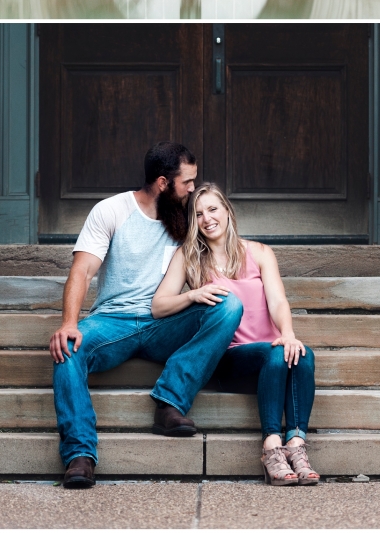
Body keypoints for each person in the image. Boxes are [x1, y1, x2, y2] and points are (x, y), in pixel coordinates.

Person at [50, 144, 244, 489]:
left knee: (228, 306)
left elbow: (222, 251)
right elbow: (81, 272)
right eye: (187, 182)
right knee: (67, 347)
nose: (192, 189)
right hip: (113, 322)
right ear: (162, 183)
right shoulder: (111, 211)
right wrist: (69, 322)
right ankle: (80, 454)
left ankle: (170, 402)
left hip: (166, 322)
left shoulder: (187, 219)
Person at [152, 182, 319, 487]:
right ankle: (271, 446)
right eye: (199, 214)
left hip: (271, 353)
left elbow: (278, 300)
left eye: (213, 209)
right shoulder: (188, 257)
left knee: (303, 356)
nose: (207, 219)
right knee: (277, 354)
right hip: (229, 358)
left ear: (227, 212)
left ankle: (296, 446)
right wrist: (193, 295)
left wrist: (289, 333)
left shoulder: (259, 252)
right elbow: (159, 306)